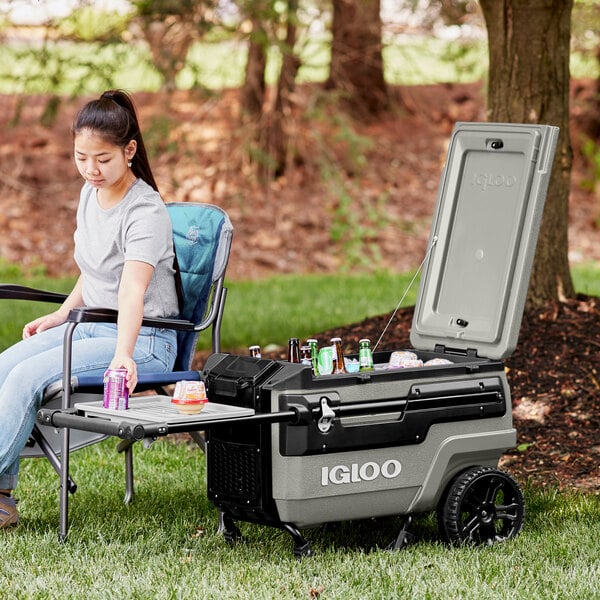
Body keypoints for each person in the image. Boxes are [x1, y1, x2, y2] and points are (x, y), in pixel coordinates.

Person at [0, 90, 180, 528]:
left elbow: (133, 290)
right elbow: (96, 269)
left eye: (102, 159)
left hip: (143, 340)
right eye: (82, 157)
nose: (91, 169)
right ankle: (2, 499)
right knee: (4, 365)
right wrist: (63, 313)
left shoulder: (145, 210)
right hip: (91, 325)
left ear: (129, 150)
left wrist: (124, 354)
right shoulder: (89, 193)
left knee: (26, 378)